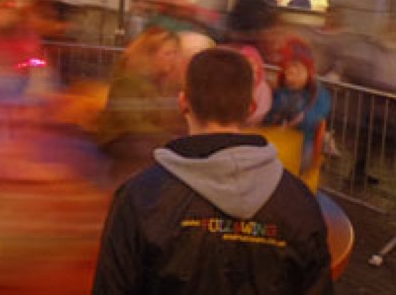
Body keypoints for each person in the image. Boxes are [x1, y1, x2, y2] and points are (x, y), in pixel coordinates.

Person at [93, 48, 333, 294]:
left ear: (183, 103)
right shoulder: (299, 203)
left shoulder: (140, 197)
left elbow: (112, 286)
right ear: (250, 108)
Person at [96, 27, 184, 179]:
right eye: (168, 53)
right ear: (150, 56)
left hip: (147, 135)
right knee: (146, 150)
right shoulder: (129, 80)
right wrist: (168, 138)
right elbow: (131, 122)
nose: (173, 59)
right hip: (119, 137)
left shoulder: (164, 80)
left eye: (175, 53)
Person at [264, 37, 331, 174]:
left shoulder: (317, 93)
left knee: (304, 159)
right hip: (280, 136)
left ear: (308, 72)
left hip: (304, 138)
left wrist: (303, 119)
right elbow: (271, 112)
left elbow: (319, 112)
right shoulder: (281, 92)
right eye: (288, 71)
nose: (291, 76)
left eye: (298, 71)